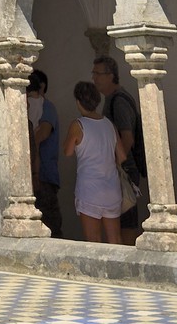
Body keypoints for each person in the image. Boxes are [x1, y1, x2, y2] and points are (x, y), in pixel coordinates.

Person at [64, 79, 127, 245]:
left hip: (89, 189)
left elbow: (68, 152)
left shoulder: (78, 125)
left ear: (78, 102)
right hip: (112, 188)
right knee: (115, 239)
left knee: (93, 241)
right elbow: (122, 157)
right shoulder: (109, 124)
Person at [92, 55, 146, 244]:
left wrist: (116, 163)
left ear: (111, 75)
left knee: (126, 221)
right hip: (118, 168)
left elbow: (127, 138)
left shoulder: (119, 101)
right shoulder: (110, 99)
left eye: (98, 74)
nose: (95, 78)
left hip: (124, 170)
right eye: (94, 73)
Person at [26, 69, 62, 238]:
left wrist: (30, 145)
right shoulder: (37, 104)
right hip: (34, 173)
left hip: (44, 175)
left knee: (50, 222)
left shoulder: (47, 107)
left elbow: (44, 133)